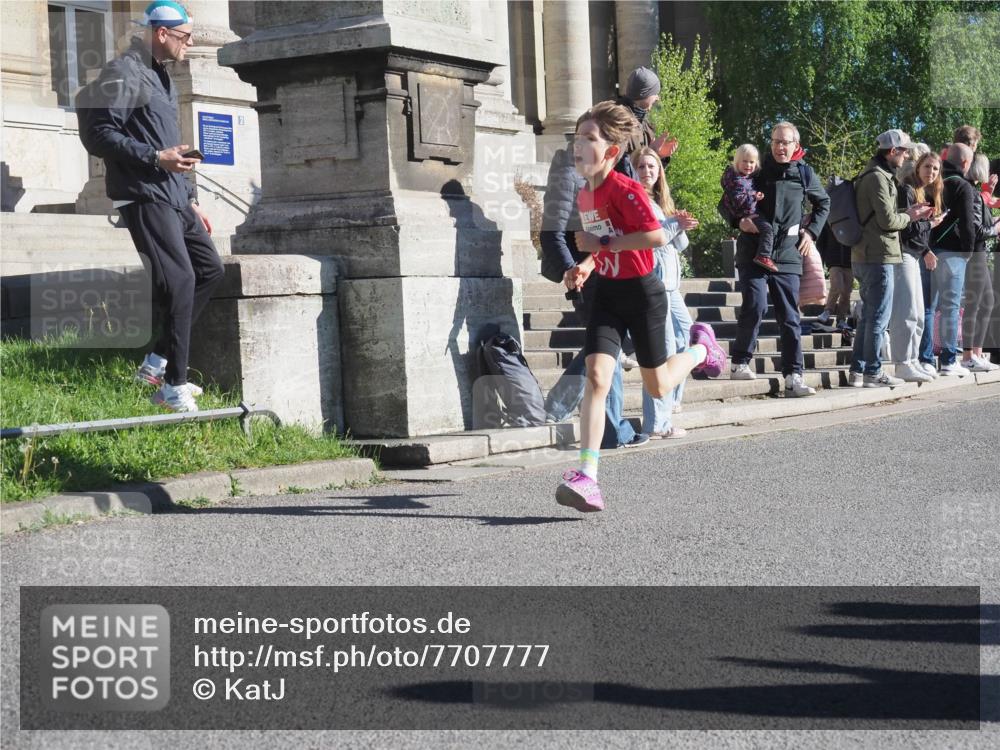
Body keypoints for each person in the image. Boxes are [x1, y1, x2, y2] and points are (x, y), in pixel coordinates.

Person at [556, 102, 725, 513]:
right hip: (608, 293)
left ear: (612, 152)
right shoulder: (585, 194)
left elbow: (653, 236)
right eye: (576, 139)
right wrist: (584, 266)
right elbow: (601, 241)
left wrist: (603, 247)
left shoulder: (626, 189)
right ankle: (589, 476)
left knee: (658, 386)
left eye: (589, 140)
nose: (579, 146)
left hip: (643, 293)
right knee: (598, 375)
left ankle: (703, 348)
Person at [77, 0, 223, 413]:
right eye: (184, 37)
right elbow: (97, 133)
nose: (191, 44)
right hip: (143, 193)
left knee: (209, 271)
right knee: (178, 280)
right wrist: (155, 158)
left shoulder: (162, 77)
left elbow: (167, 140)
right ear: (161, 33)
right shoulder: (123, 71)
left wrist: (191, 199)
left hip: (175, 196)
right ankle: (173, 387)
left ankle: (156, 362)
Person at [538, 139, 647, 448]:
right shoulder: (568, 172)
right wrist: (569, 270)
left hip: (613, 272)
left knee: (605, 349)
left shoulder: (608, 173)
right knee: (606, 350)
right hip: (588, 277)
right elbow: (552, 231)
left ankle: (593, 421)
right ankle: (612, 430)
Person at [729, 122, 830, 396]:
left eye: (786, 142)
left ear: (796, 145)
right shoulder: (757, 170)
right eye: (776, 141)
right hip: (753, 251)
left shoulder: (805, 173)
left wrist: (811, 234)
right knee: (756, 304)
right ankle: (739, 362)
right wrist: (739, 221)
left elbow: (824, 204)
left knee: (789, 317)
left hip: (788, 253)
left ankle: (793, 376)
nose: (780, 147)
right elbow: (726, 200)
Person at [848, 129, 935, 388]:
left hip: (867, 253)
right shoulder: (878, 177)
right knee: (878, 317)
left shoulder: (872, 173)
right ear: (893, 151)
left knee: (869, 317)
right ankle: (873, 372)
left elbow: (880, 215)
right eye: (905, 150)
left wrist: (906, 213)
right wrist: (911, 216)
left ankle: (858, 370)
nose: (907, 155)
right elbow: (887, 221)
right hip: (878, 254)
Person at [632, 147, 697, 439]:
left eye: (652, 167)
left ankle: (671, 400)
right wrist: (673, 225)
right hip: (654, 284)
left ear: (660, 173)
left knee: (688, 336)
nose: (647, 172)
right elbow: (649, 236)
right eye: (642, 167)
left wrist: (681, 225)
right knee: (661, 352)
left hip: (671, 286)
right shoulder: (635, 198)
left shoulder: (660, 201)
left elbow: (677, 245)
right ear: (633, 170)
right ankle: (658, 422)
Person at [889, 152, 946, 382]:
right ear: (917, 167)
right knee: (906, 311)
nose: (931, 172)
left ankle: (912, 360)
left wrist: (925, 250)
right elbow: (906, 229)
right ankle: (903, 363)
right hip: (902, 255)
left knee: (919, 313)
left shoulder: (919, 192)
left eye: (935, 169)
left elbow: (915, 233)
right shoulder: (906, 190)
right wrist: (931, 223)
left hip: (913, 255)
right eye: (927, 167)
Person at [928, 143, 978, 376]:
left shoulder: (934, 181)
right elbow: (968, 224)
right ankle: (948, 360)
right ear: (966, 163)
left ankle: (926, 359)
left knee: (928, 308)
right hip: (953, 254)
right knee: (950, 307)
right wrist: (968, 253)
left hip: (928, 251)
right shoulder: (962, 186)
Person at [960, 154, 1000, 372]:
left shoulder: (978, 193)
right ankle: (968, 355)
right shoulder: (973, 193)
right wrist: (995, 229)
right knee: (976, 304)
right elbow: (978, 230)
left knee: (986, 302)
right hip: (974, 254)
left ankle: (976, 352)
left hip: (979, 253)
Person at [613, 67, 677, 182]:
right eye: (655, 93)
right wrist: (649, 152)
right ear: (644, 94)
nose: (657, 98)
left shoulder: (644, 123)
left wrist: (657, 156)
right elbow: (621, 173)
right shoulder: (618, 122)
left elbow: (648, 178)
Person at [721, 144, 777, 271]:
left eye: (752, 162)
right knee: (767, 229)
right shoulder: (737, 180)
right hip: (746, 213)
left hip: (748, 211)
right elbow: (738, 199)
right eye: (744, 162)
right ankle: (763, 255)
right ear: (737, 162)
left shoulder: (745, 177)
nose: (748, 165)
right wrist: (754, 197)